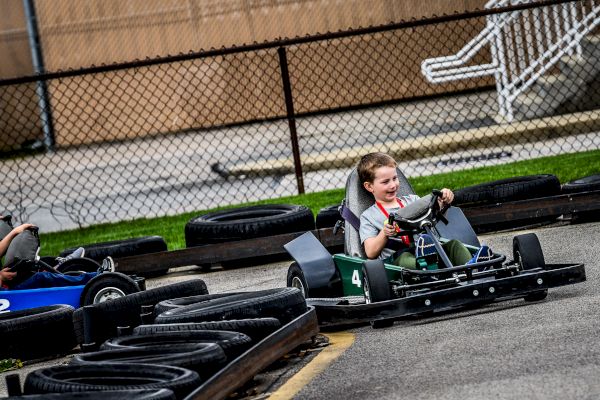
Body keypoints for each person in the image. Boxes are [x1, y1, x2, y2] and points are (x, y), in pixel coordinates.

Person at [357, 152, 492, 269]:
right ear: (369, 186)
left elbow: (434, 215)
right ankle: (424, 267)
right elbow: (370, 252)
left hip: (429, 247)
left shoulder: (412, 201)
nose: (393, 185)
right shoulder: (369, 216)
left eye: (395, 178)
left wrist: (443, 200)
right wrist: (384, 233)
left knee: (454, 245)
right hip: (398, 259)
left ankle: (474, 267)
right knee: (405, 258)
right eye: (385, 182)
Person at [0, 218, 114, 290]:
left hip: (8, 283)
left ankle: (58, 266)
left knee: (33, 266)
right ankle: (96, 277)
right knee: (42, 278)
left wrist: (14, 232)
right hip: (7, 294)